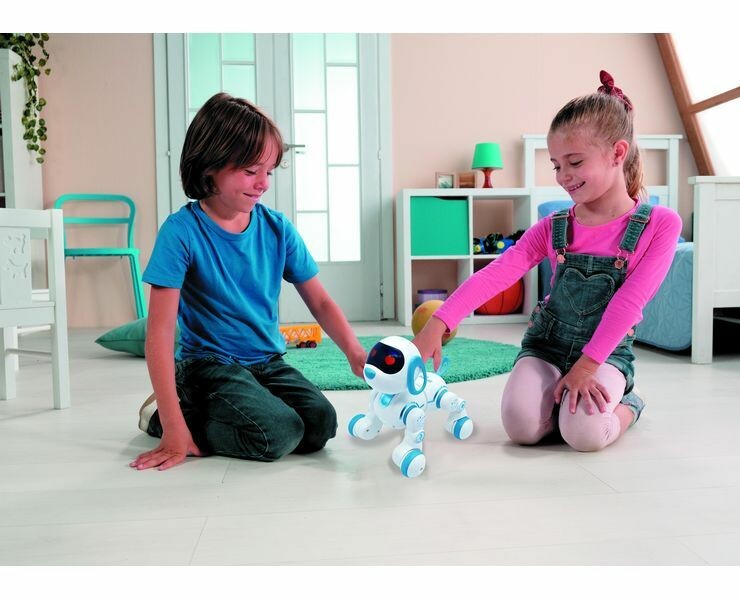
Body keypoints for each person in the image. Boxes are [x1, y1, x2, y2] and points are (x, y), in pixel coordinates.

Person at [413, 71, 682, 452]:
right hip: (547, 346)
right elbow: (498, 273)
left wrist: (587, 367)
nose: (563, 176)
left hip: (605, 353)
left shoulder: (660, 224)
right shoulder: (553, 226)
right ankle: (557, 403)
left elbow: (630, 301)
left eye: (574, 162)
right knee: (521, 428)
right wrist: (439, 322)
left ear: (617, 153)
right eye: (556, 165)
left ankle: (629, 405)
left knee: (585, 436)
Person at [130, 92, 366, 471]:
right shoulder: (181, 232)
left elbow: (320, 302)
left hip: (267, 361)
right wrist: (174, 429)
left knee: (321, 424)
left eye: (268, 172)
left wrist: (354, 351)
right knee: (279, 433)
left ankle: (217, 411)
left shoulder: (277, 228)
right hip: (208, 365)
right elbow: (159, 332)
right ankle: (166, 415)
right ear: (210, 165)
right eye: (250, 171)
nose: (263, 184)